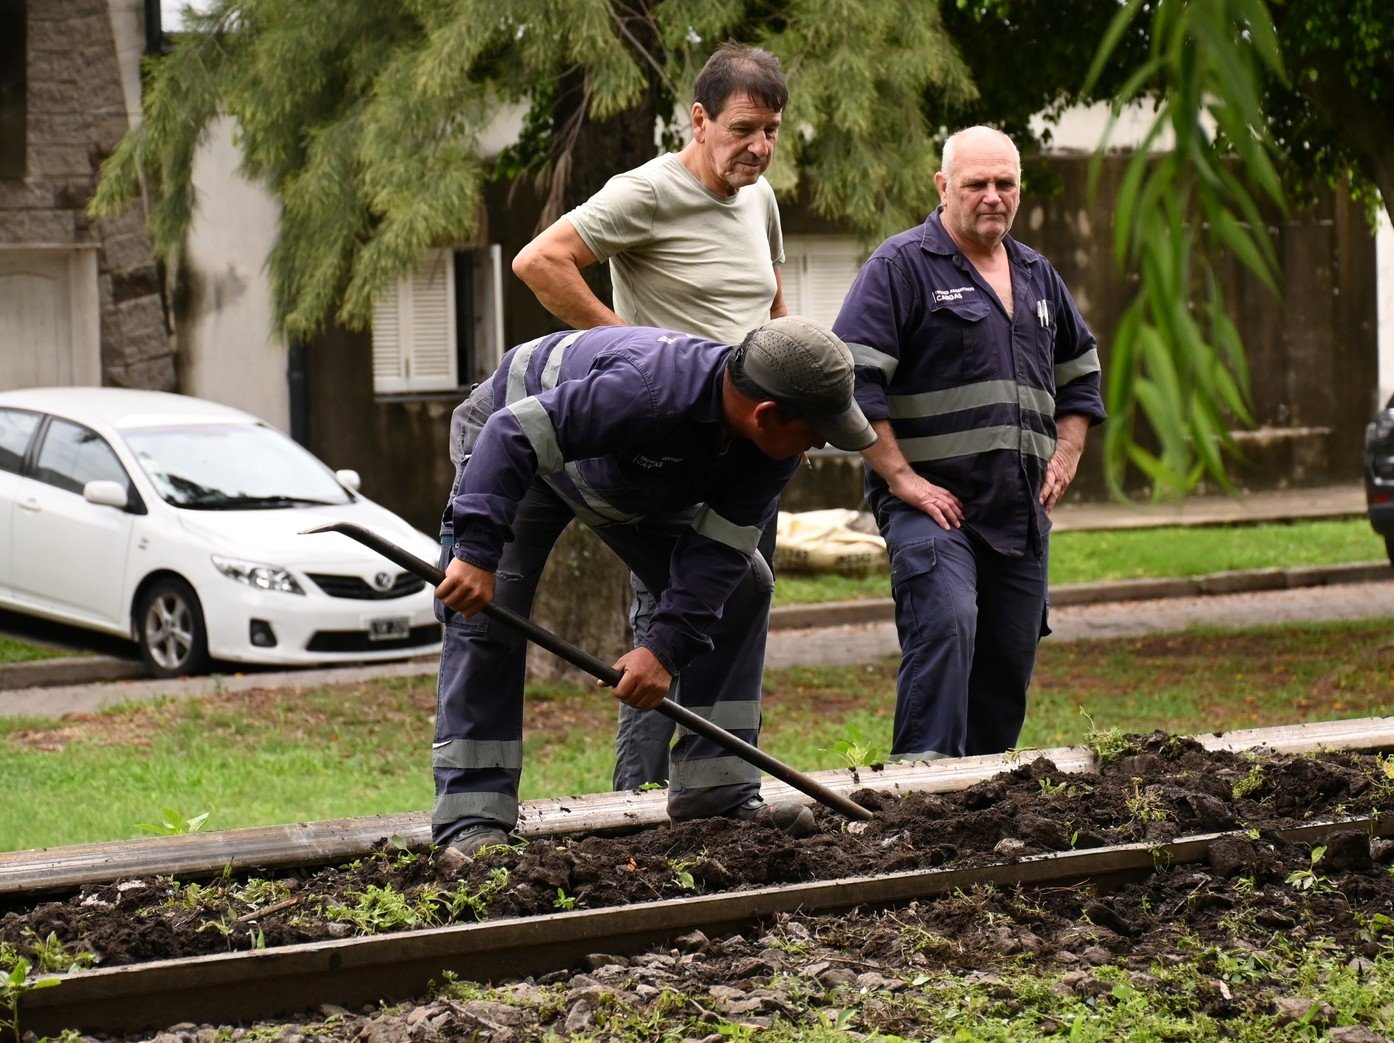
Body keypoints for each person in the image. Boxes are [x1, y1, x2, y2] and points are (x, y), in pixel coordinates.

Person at [431, 316, 875, 856]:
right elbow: (510, 435)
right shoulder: (648, 393)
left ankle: (717, 792)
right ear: (767, 414)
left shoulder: (768, 450)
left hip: (621, 475)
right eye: (814, 433)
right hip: (516, 442)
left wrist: (662, 651)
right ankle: (471, 819)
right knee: (487, 608)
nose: (819, 446)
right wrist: (476, 552)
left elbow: (718, 556)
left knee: (744, 586)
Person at [512, 42, 790, 792]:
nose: (758, 147)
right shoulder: (645, 192)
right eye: (741, 129)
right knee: (665, 625)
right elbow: (540, 261)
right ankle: (632, 796)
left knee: (734, 615)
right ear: (698, 120)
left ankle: (723, 790)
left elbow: (771, 307)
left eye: (770, 130)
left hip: (750, 451)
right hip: (670, 454)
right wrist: (628, 349)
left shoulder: (759, 199)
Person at [832, 126, 1106, 762]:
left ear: (1019, 188)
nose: (991, 197)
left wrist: (1066, 454)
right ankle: (917, 790)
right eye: (975, 184)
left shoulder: (1039, 275)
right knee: (947, 628)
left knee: (1008, 664)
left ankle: (981, 802)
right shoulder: (899, 268)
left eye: (1003, 183)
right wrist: (901, 479)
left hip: (1018, 515)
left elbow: (1081, 374)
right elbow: (850, 381)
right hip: (933, 509)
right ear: (942, 186)